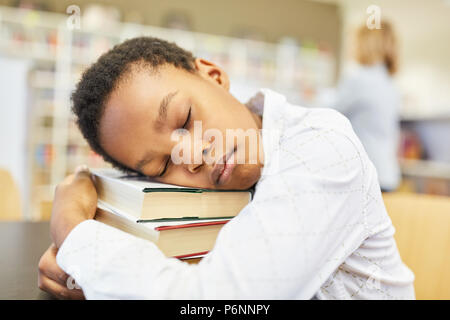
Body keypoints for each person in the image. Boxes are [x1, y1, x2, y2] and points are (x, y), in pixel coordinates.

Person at [38, 37, 415, 299]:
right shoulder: (212, 196)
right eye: (163, 164)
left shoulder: (322, 145)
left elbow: (216, 299)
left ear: (214, 76)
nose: (191, 156)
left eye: (184, 119)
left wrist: (71, 228)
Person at [323, 21, 401, 192]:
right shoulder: (390, 83)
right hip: (388, 174)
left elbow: (328, 111)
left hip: (364, 175)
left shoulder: (358, 78)